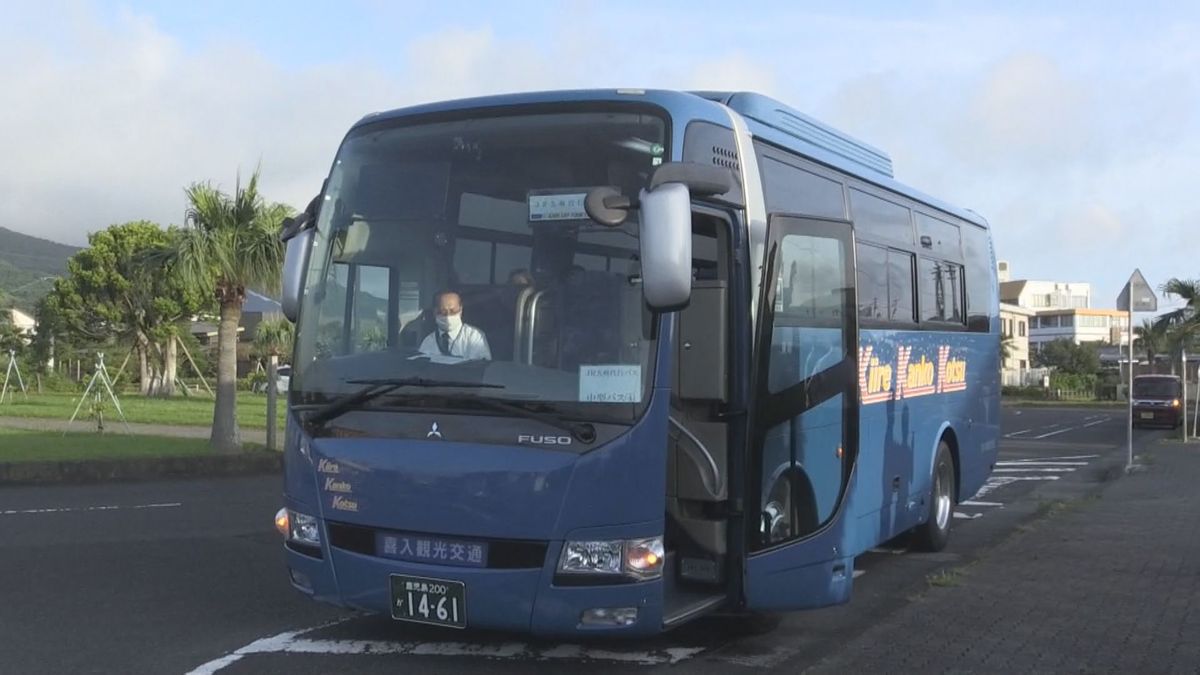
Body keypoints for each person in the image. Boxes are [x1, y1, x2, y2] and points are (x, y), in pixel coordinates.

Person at [418, 291, 492, 361]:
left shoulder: (474, 337)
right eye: (443, 312)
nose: (448, 316)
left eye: (453, 311)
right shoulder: (428, 342)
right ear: (435, 312)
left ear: (460, 310)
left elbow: (482, 367)